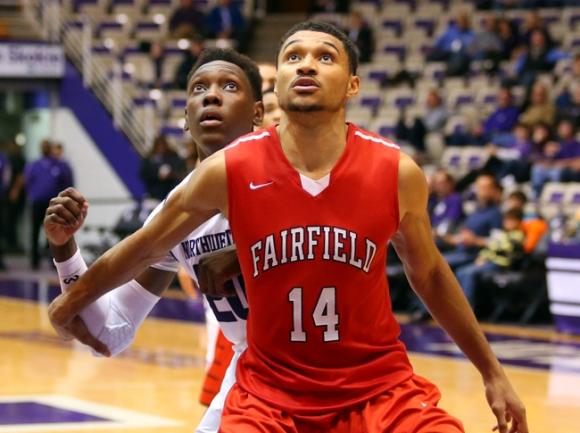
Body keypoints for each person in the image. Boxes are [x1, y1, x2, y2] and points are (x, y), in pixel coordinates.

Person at [48, 22, 527, 433]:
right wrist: (68, 291)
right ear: (277, 86)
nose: (306, 65)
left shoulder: (395, 172)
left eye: (324, 57)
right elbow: (137, 258)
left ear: (353, 85)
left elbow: (430, 273)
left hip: (375, 386)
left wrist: (492, 372)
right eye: (293, 56)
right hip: (265, 386)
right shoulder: (224, 173)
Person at [43, 48, 264, 433]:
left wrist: (248, 253)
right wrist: (65, 249)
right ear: (184, 117)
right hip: (253, 370)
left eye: (229, 86)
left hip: (324, 365)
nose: (211, 95)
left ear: (258, 114)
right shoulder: (170, 214)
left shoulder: (290, 178)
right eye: (199, 88)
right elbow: (111, 331)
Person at [455, 208, 525, 308]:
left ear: (519, 222)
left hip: (501, 265)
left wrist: (490, 246)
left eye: (512, 221)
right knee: (461, 271)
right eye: (507, 220)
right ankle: (458, 304)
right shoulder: (501, 234)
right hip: (489, 262)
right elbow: (489, 248)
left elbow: (504, 247)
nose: (508, 223)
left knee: (469, 273)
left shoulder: (518, 235)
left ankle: (467, 308)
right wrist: (482, 257)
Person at [24, 139, 74, 269]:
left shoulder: (60, 165)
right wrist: (33, 195)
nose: (45, 148)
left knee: (54, 232)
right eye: (43, 146)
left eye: (47, 146)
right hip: (38, 202)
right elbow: (28, 181)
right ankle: (34, 261)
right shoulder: (35, 165)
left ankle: (54, 260)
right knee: (35, 231)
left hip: (53, 204)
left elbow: (68, 183)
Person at [139, 135, 187, 201]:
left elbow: (180, 173)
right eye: (159, 145)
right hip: (154, 194)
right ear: (155, 146)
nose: (161, 148)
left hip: (170, 192)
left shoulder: (173, 158)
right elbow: (143, 174)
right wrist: (157, 175)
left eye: (163, 145)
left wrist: (171, 175)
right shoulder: (149, 159)